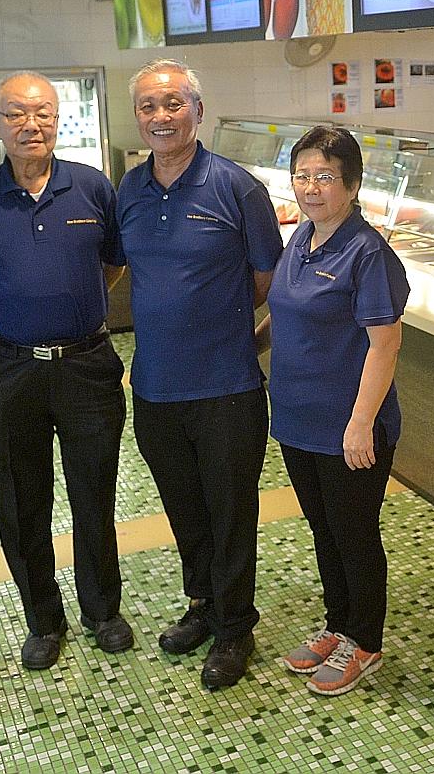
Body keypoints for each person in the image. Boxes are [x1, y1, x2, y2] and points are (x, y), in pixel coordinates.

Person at [0, 71, 131, 670]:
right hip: (9, 369)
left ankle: (103, 610)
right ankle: (42, 620)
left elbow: (111, 266)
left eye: (44, 113)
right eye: (17, 114)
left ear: (59, 120)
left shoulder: (93, 187)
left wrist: (70, 314)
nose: (32, 125)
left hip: (87, 366)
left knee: (94, 495)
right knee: (21, 501)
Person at [115, 59, 283, 689]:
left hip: (227, 387)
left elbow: (266, 280)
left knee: (231, 510)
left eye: (173, 104)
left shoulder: (237, 188)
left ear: (198, 111)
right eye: (148, 107)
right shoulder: (130, 189)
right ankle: (204, 604)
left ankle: (236, 627)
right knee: (184, 506)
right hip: (156, 385)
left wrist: (234, 333)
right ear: (138, 118)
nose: (161, 117)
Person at [260, 126, 409, 696]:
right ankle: (337, 625)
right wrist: (254, 345)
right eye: (302, 175)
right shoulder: (301, 238)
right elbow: (287, 311)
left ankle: (364, 642)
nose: (311, 187)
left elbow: (385, 343)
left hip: (351, 427)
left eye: (325, 177)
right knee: (324, 529)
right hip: (298, 419)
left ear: (351, 184)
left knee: (354, 534)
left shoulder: (368, 253)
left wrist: (360, 423)